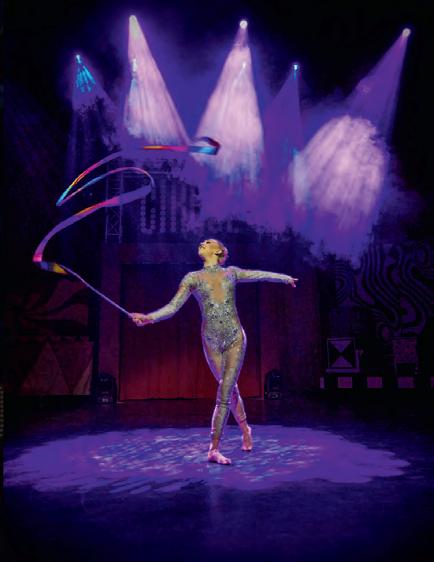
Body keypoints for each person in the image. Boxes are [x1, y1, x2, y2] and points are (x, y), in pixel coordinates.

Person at [130, 239, 298, 465]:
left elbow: (259, 274)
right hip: (211, 341)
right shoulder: (192, 278)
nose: (203, 242)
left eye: (208, 242)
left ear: (217, 251)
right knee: (231, 389)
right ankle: (246, 429)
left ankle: (213, 449)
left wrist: (284, 278)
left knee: (225, 392)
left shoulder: (231, 273)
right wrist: (149, 318)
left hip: (235, 339)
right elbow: (172, 307)